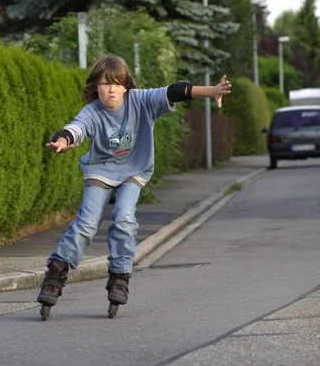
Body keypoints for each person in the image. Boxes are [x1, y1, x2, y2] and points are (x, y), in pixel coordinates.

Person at [37, 55, 231, 310]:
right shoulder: (92, 111)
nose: (111, 90)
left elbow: (173, 91)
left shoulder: (140, 100)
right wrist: (63, 141)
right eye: (105, 84)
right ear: (96, 86)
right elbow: (76, 128)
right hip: (100, 171)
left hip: (133, 170)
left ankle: (119, 276)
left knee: (124, 217)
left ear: (126, 85)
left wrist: (211, 91)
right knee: (86, 223)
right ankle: (56, 274)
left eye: (117, 83)